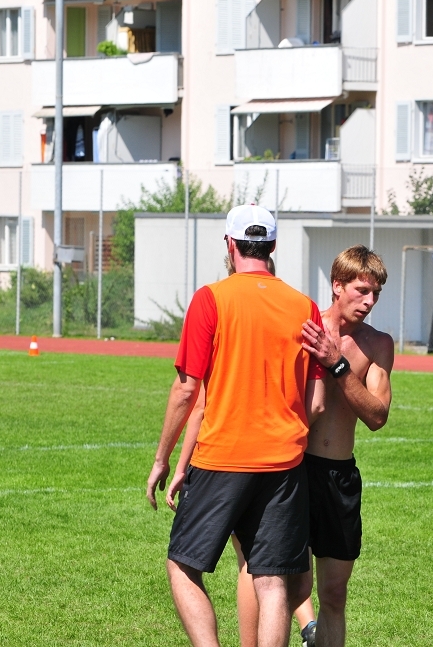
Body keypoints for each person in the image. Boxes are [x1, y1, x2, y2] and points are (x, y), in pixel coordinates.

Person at [146, 204, 326, 647]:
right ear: (273, 246)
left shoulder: (211, 298)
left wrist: (163, 459)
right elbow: (317, 402)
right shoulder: (305, 307)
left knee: (182, 564)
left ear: (230, 244)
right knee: (272, 581)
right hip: (284, 463)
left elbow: (187, 391)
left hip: (222, 457)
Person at [299, 245, 394, 647]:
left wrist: (337, 364)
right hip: (294, 470)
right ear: (337, 285)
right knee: (285, 584)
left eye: (376, 294)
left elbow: (377, 415)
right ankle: (306, 627)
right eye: (362, 291)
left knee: (335, 593)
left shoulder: (378, 344)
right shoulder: (305, 328)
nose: (370, 302)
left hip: (339, 477)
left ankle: (314, 630)